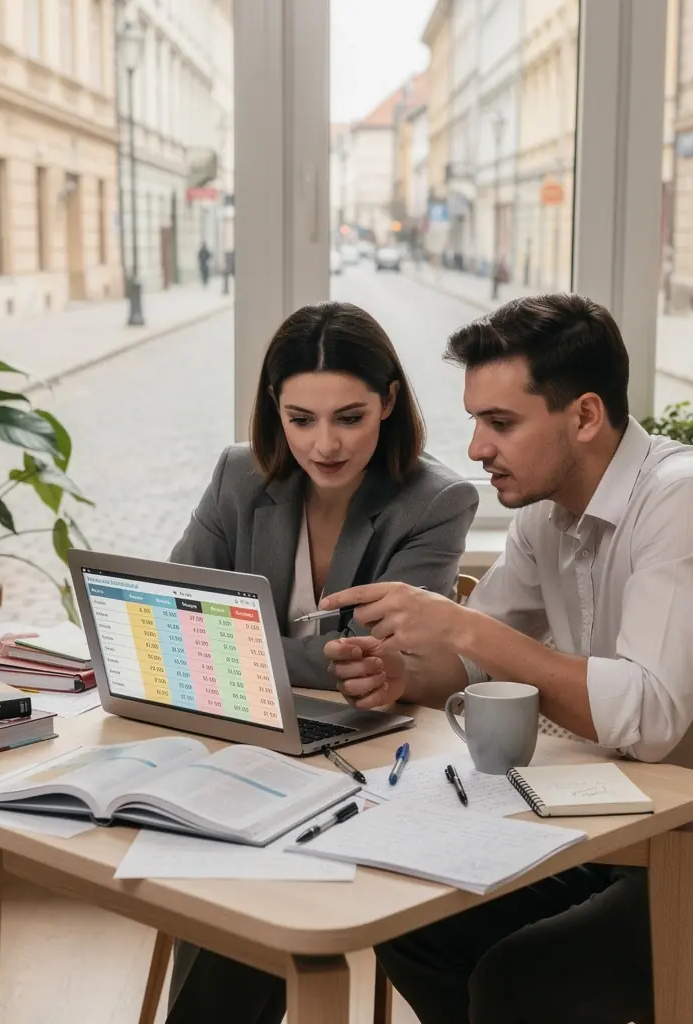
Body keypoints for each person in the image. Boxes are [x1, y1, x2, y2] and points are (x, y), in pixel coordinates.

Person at [322, 293, 693, 1024]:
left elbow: (644, 718)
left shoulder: (692, 501)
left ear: (583, 416)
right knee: (419, 931)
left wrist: (461, 629)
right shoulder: (548, 518)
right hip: (645, 838)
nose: (478, 447)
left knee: (526, 983)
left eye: (501, 422)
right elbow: (476, 667)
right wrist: (405, 675)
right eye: (476, 420)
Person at [165, 300, 479, 1024]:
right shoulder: (238, 477)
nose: (325, 444)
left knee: (247, 877)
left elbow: (389, 657)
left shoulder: (436, 501)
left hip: (369, 763)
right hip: (241, 748)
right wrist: (309, 655)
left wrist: (238, 642)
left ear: (390, 402)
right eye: (300, 418)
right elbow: (182, 614)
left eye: (350, 416)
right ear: (274, 409)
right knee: (225, 868)